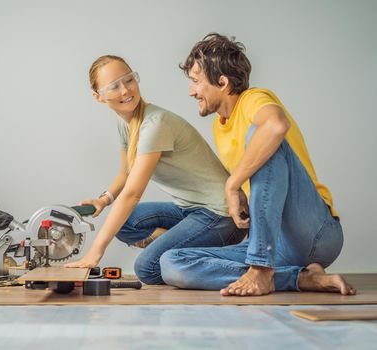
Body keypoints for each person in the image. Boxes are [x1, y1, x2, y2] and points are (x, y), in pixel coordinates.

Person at [160, 33, 356, 296]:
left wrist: (232, 184)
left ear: (222, 83)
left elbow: (276, 126)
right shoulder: (220, 127)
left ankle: (262, 269)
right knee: (172, 263)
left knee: (263, 135)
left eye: (196, 81)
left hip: (314, 231)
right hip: (274, 246)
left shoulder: (253, 99)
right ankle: (300, 278)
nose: (191, 91)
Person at [65, 55, 245, 284]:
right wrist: (105, 200)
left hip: (220, 215)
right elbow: (126, 173)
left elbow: (133, 194)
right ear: (98, 97)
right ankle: (179, 249)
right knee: (126, 223)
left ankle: (242, 262)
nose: (125, 90)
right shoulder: (126, 123)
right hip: (190, 209)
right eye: (114, 86)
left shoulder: (155, 123)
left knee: (147, 268)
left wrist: (95, 251)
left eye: (129, 80)